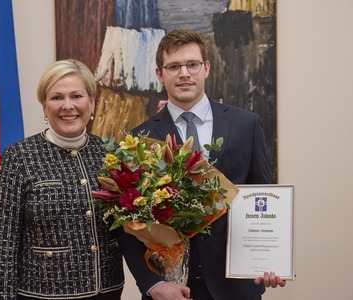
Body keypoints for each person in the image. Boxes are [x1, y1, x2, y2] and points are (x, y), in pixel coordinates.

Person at [117, 29, 286, 300]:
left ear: (206, 68)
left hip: (237, 286)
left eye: (192, 64)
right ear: (160, 75)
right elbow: (128, 225)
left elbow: (261, 198)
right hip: (171, 287)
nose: (184, 73)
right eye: (173, 66)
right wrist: (150, 283)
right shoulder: (139, 139)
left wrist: (269, 258)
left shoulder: (246, 125)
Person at [0, 59, 124, 299]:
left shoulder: (110, 154)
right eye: (56, 97)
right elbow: (1, 247)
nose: (67, 106)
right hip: (41, 294)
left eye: (77, 96)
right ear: (44, 106)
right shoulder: (19, 157)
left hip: (107, 291)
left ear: (92, 101)